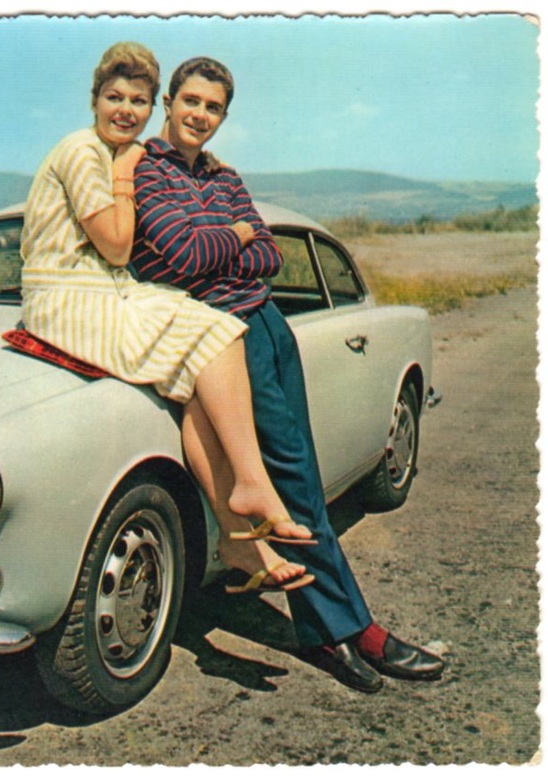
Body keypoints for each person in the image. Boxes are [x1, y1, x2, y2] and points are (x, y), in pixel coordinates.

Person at [129, 55, 446, 691]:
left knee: (300, 476)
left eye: (214, 108)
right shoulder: (143, 170)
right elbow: (184, 256)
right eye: (191, 101)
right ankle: (353, 630)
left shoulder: (224, 176)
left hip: (270, 328)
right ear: (168, 101)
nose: (200, 116)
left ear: (223, 116)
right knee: (295, 487)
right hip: (225, 338)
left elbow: (270, 258)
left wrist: (230, 242)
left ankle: (329, 626)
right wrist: (237, 236)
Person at [20, 42, 315, 595]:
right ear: (94, 99)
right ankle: (250, 485)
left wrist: (225, 239)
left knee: (207, 351)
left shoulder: (127, 156)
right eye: (114, 98)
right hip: (66, 298)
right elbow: (119, 246)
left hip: (105, 291)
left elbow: (265, 254)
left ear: (150, 105)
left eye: (137, 100)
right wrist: (131, 178)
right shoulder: (85, 152)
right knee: (215, 331)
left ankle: (237, 534)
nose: (125, 111)